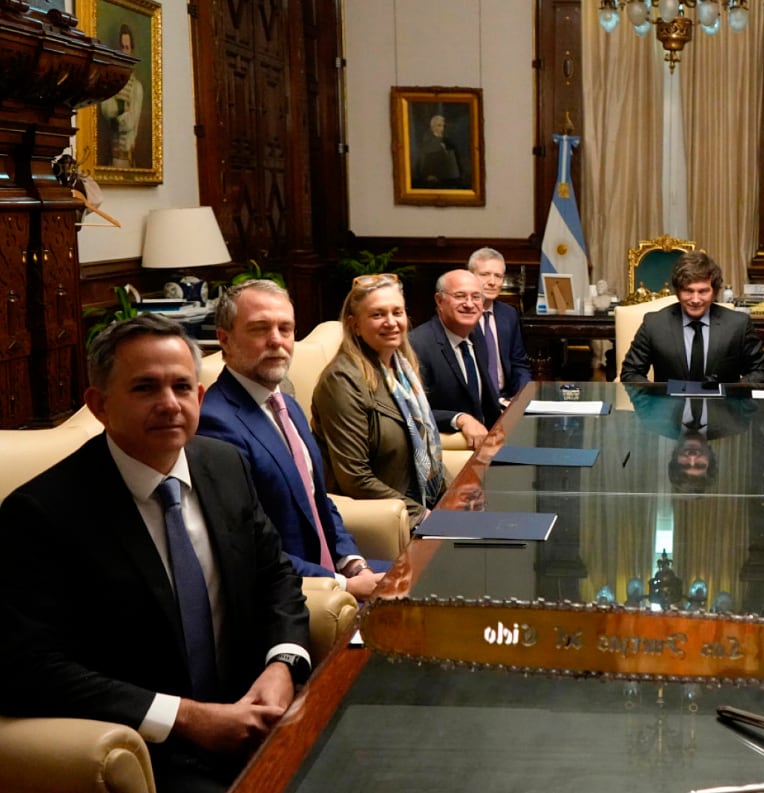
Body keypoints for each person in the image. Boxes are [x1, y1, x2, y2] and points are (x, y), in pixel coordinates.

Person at [0, 314, 310, 791]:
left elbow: (276, 577)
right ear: (100, 405)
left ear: (199, 398)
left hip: (256, 714)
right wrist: (185, 717)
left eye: (181, 387)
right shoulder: (42, 512)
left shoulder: (224, 465)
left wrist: (282, 665)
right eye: (145, 388)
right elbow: (30, 667)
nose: (169, 404)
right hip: (151, 749)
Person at [198, 280, 388, 598]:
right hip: (298, 593)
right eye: (260, 329)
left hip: (336, 573)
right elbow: (247, 546)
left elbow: (318, 500)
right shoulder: (216, 424)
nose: (276, 340)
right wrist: (344, 585)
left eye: (285, 329)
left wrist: (353, 563)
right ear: (225, 339)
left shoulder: (286, 403)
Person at [311, 274, 445, 525]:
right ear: (354, 325)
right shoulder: (342, 380)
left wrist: (452, 500)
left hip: (421, 504)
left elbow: (425, 446)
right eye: (377, 314)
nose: (391, 322)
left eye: (397, 312)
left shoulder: (403, 368)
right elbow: (355, 478)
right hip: (385, 518)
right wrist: (423, 516)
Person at [619, 251, 764, 384]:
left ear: (714, 292)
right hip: (669, 406)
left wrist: (733, 398)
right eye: (688, 291)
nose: (695, 300)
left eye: (703, 291)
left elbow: (759, 372)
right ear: (678, 291)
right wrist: (654, 401)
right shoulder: (654, 324)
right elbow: (631, 373)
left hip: (722, 406)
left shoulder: (738, 324)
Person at [409, 269, 502, 448]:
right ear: (439, 300)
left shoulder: (476, 335)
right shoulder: (417, 346)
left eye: (476, 297)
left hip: (487, 443)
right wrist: (458, 418)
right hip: (450, 448)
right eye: (460, 296)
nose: (469, 304)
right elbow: (411, 410)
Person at [468, 247, 532, 402]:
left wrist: (521, 397)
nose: (492, 282)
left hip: (507, 398)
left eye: (498, 276)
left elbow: (519, 364)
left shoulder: (509, 314)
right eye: (485, 274)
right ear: (470, 277)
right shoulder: (462, 314)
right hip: (475, 403)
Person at [98, 24, 145, 168]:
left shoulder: (136, 87)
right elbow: (105, 109)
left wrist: (114, 116)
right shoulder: (112, 82)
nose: (124, 52)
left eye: (127, 48)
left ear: (131, 50)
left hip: (126, 159)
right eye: (122, 47)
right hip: (111, 157)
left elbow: (129, 123)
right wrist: (123, 107)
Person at [413, 114, 463, 188]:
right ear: (432, 127)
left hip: (449, 179)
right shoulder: (427, 143)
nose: (442, 128)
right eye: (439, 125)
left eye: (443, 126)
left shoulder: (449, 142)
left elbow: (456, 162)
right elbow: (423, 164)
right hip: (433, 181)